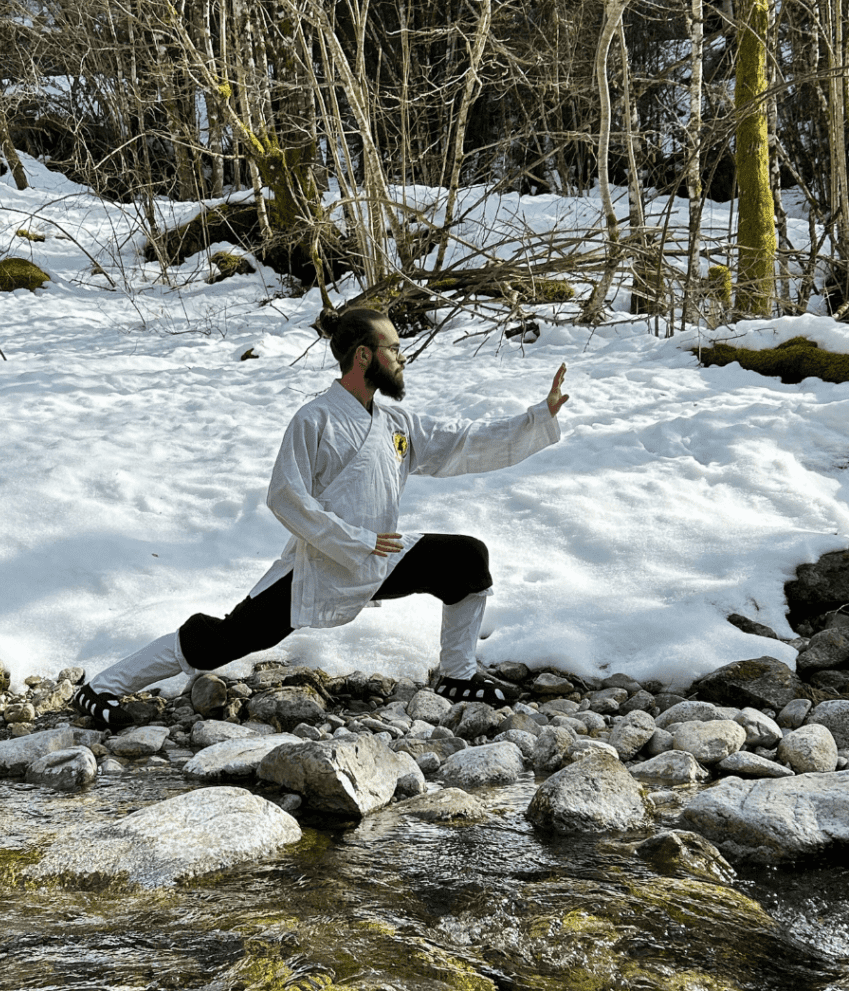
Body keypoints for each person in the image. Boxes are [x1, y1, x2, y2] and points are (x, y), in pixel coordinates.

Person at [75, 308, 568, 731]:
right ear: (362, 356)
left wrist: (537, 418)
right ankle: (101, 686)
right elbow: (286, 497)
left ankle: (458, 674)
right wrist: (354, 541)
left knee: (465, 558)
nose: (401, 358)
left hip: (379, 557)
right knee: (225, 638)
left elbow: (462, 441)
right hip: (323, 567)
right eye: (393, 348)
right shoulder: (314, 419)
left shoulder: (396, 422)